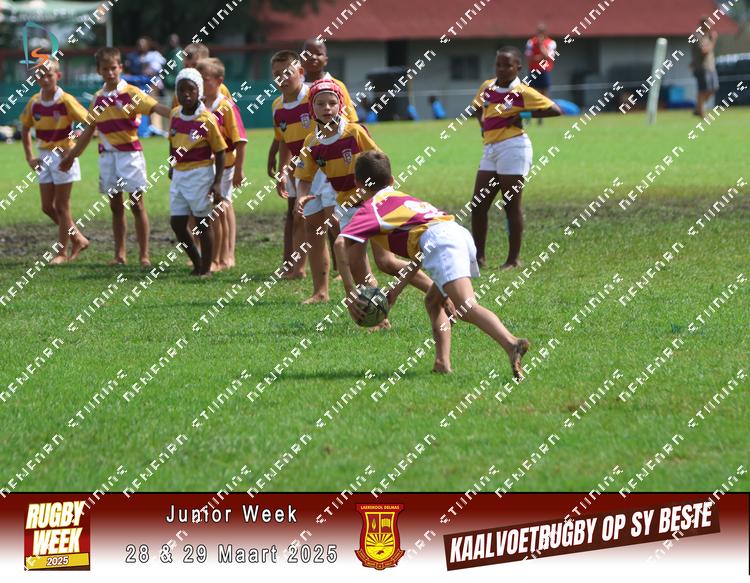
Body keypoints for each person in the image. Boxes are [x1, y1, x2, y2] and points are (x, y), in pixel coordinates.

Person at [341, 150, 530, 378]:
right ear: (391, 180)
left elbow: (340, 243)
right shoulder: (404, 199)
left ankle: (511, 343)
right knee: (433, 302)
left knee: (466, 307)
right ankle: (442, 364)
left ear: (357, 183)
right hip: (456, 234)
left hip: (444, 243)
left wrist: (350, 292)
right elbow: (423, 251)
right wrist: (397, 290)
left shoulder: (371, 208)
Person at [294, 79, 432, 306]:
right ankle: (377, 314)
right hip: (347, 208)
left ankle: (437, 291)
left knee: (386, 263)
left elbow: (380, 161)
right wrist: (301, 196)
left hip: (374, 204)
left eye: (332, 103)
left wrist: (381, 193)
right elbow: (305, 177)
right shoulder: (311, 142)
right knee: (356, 265)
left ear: (341, 106)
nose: (327, 108)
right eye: (320, 103)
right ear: (312, 108)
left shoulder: (354, 132)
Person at [60, 47, 172, 267]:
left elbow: (156, 107)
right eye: (105, 69)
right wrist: (72, 156)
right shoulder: (97, 99)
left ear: (120, 67)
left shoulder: (131, 93)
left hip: (130, 156)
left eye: (113, 68)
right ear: (99, 71)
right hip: (108, 157)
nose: (110, 73)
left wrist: (182, 115)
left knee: (137, 205)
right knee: (115, 207)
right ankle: (120, 255)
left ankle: (144, 255)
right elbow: (88, 132)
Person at [470, 46, 561, 270]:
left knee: (511, 205)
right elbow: (477, 108)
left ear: (518, 67)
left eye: (507, 65)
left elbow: (555, 109)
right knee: (478, 205)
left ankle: (513, 260)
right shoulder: (487, 86)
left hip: (514, 148)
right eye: (498, 64)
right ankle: (479, 258)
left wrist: (523, 113)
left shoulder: (522, 91)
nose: (502, 69)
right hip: (490, 149)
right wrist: (483, 125)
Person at [20, 59, 90, 264]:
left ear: (58, 76)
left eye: (49, 74)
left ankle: (61, 252)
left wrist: (73, 147)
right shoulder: (34, 102)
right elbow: (25, 128)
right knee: (46, 206)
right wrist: (30, 157)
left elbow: (89, 122)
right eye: (40, 75)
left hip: (63, 157)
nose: (45, 79)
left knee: (61, 206)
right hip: (43, 156)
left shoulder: (66, 100)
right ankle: (78, 238)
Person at [167, 68, 227, 277]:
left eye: (190, 90)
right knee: (177, 223)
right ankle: (197, 262)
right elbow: (172, 142)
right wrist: (171, 165)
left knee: (202, 223)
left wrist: (217, 182)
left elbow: (220, 151)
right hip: (179, 175)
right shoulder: (175, 114)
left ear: (198, 91)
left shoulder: (207, 119)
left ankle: (206, 269)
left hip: (200, 174)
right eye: (181, 90)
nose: (186, 94)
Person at [197, 58, 246, 271]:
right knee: (213, 212)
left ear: (218, 81)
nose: (201, 83)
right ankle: (218, 256)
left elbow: (240, 141)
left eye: (205, 79)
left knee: (219, 211)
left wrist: (239, 171)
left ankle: (220, 258)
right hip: (205, 166)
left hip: (225, 166)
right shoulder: (199, 105)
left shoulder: (226, 106)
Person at [270, 50, 311, 280]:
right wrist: (282, 171)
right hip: (297, 171)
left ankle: (341, 266)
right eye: (277, 75)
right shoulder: (277, 106)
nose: (282, 79)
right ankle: (298, 268)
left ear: (300, 72)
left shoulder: (314, 97)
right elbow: (284, 140)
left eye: (287, 73)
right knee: (297, 216)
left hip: (322, 169)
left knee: (331, 219)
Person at [691, 16, 719, 118]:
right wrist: (713, 41)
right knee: (703, 90)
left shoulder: (707, 36)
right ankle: (702, 113)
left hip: (711, 67)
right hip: (702, 68)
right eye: (708, 23)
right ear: (703, 24)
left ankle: (698, 108)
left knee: (713, 89)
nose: (710, 26)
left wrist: (711, 39)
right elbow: (704, 52)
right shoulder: (697, 36)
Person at [525, 23, 557, 103]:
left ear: (545, 32)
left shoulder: (551, 42)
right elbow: (529, 58)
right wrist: (542, 57)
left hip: (544, 71)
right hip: (533, 71)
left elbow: (549, 57)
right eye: (539, 31)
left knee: (545, 94)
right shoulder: (531, 42)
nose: (540, 34)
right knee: (533, 93)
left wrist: (541, 45)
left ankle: (545, 109)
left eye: (542, 32)